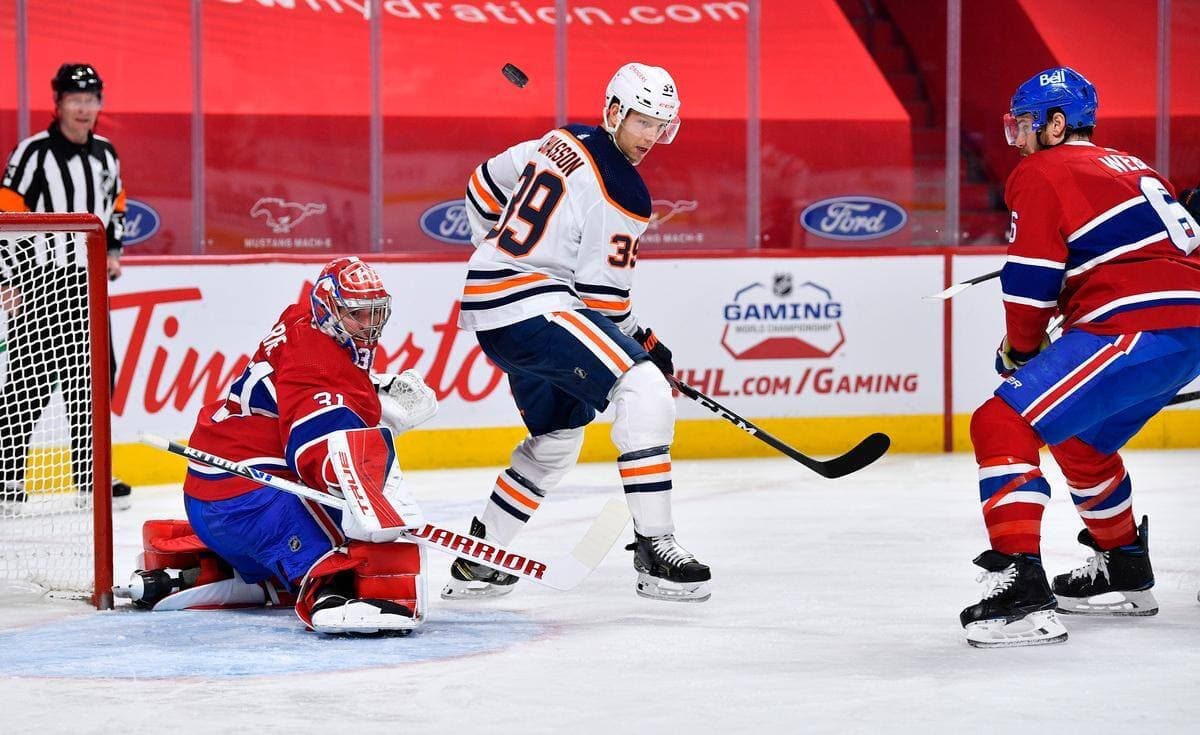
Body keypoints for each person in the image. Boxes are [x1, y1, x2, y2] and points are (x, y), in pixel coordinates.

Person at [445, 62, 711, 603]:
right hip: (533, 306)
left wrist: (495, 251)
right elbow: (604, 302)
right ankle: (656, 548)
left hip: (494, 308)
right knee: (644, 387)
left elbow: (481, 186)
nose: (651, 137)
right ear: (614, 112)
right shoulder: (626, 191)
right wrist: (646, 346)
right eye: (642, 121)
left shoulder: (559, 139)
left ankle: (480, 558)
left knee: (556, 440)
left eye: (661, 125)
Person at [960, 67, 1200, 648]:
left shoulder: (1042, 170)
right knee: (1079, 440)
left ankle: (1021, 594)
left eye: (1024, 124)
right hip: (1184, 328)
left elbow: (1030, 281)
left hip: (1136, 323)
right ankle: (1124, 567)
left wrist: (1020, 350)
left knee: (1000, 422)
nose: (1017, 137)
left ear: (1056, 123)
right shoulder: (1136, 167)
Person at [121, 257, 440, 635]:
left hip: (214, 498)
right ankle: (331, 596)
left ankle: (232, 575)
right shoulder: (317, 366)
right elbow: (316, 455)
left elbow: (307, 391)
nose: (369, 324)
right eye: (358, 314)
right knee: (357, 541)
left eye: (375, 312)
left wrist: (373, 393)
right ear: (329, 308)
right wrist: (375, 482)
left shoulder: (301, 318)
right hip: (250, 504)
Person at [0, 63, 131, 510]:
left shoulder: (106, 153)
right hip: (38, 280)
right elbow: (6, 216)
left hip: (87, 283)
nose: (83, 108)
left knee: (95, 379)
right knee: (29, 379)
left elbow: (116, 204)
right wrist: (6, 280)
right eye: (75, 99)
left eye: (91, 99)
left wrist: (113, 250)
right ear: (57, 104)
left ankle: (91, 475)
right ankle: (6, 475)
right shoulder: (32, 153)